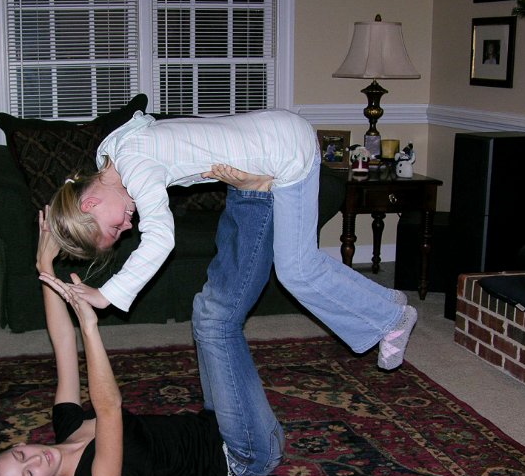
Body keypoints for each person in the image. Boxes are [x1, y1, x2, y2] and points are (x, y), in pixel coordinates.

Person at [0, 181, 284, 476]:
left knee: (204, 314)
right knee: (215, 323)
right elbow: (109, 408)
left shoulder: (67, 427)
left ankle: (245, 192)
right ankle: (255, 196)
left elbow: (63, 345)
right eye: (29, 475)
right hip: (243, 454)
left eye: (20, 455)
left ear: (17, 445)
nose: (36, 459)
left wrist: (44, 266)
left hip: (216, 422)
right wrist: (90, 327)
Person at [46, 109, 417, 370]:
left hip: (285, 151)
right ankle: (386, 303)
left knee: (297, 270)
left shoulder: (134, 167)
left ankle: (393, 317)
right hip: (279, 132)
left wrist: (107, 294)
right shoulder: (114, 151)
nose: (126, 227)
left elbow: (159, 238)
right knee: (298, 266)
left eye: (113, 229)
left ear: (90, 203)